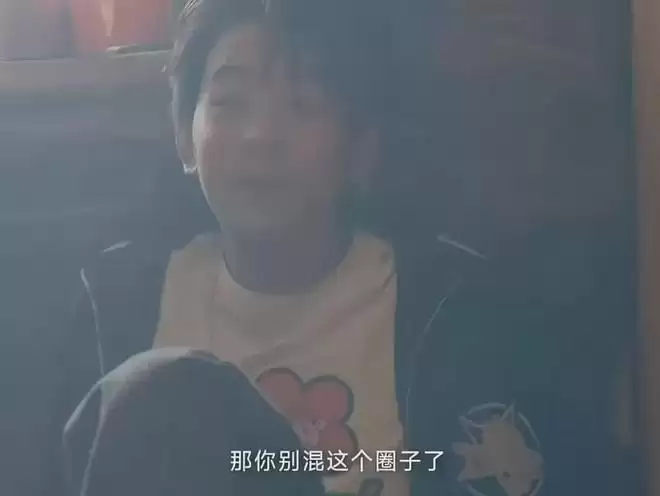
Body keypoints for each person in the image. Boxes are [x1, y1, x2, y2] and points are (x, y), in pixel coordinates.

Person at [55, 0, 643, 495]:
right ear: (185, 135)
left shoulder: (461, 312)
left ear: (362, 148)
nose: (261, 135)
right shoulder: (118, 308)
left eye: (304, 105)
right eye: (230, 102)